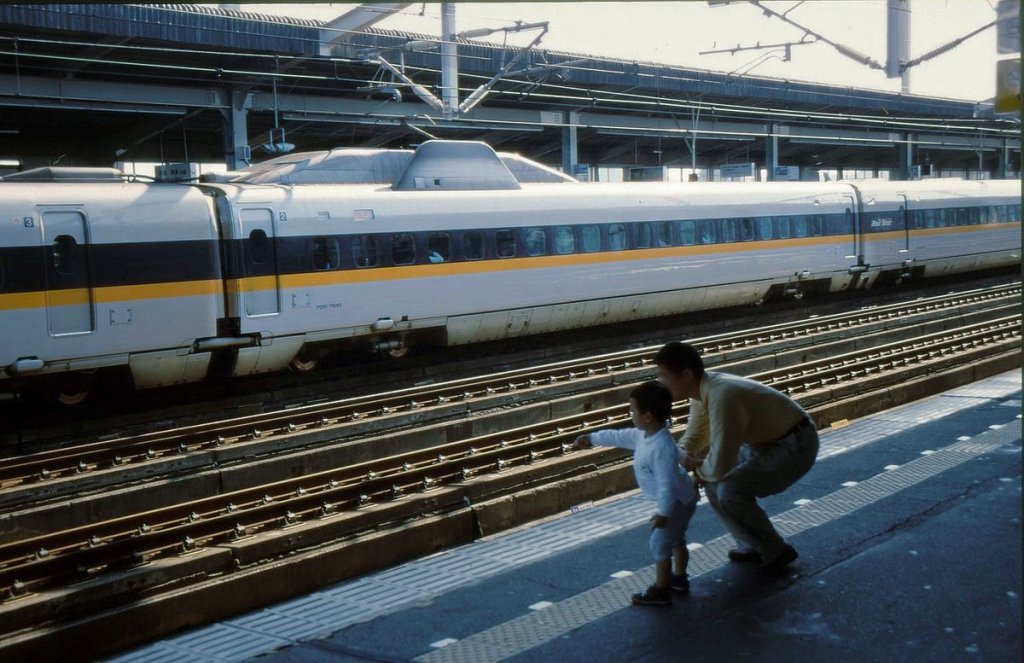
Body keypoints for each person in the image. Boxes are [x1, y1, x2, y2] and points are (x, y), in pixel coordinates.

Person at [654, 341, 818, 574]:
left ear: (687, 374)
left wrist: (698, 470)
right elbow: (697, 433)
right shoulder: (702, 390)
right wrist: (681, 454)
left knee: (730, 490)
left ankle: (776, 550)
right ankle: (752, 544)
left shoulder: (722, 395)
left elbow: (720, 462)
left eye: (664, 376)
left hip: (795, 444)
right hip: (766, 444)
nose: (661, 383)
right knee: (714, 484)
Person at [573, 381, 697, 606]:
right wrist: (592, 438)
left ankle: (661, 590)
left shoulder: (660, 447)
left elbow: (667, 485)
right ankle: (679, 578)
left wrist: (663, 513)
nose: (631, 415)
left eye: (633, 410)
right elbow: (620, 436)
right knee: (676, 538)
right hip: (682, 496)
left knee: (659, 542)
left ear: (647, 416)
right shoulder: (646, 435)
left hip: (677, 500)